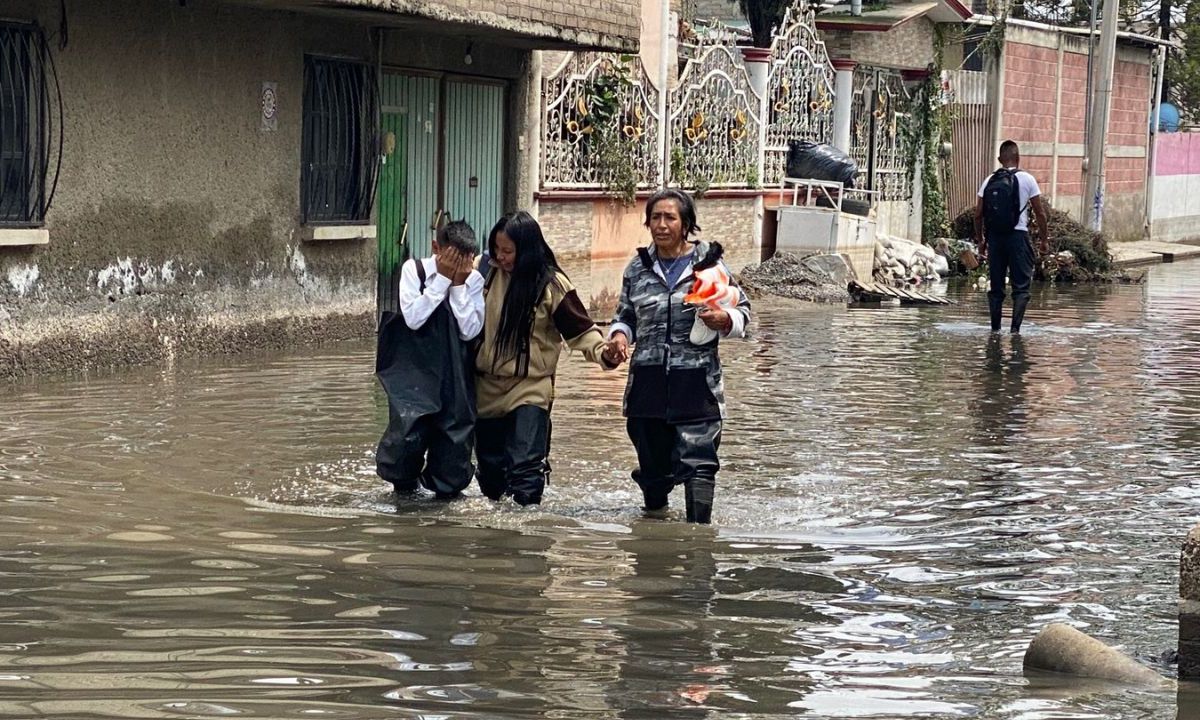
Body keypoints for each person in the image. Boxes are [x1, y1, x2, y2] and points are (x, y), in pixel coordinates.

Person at [606, 189, 751, 524]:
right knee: (653, 469)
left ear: (686, 224)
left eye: (669, 217)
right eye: (655, 217)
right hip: (648, 380)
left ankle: (699, 541)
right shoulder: (638, 269)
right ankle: (653, 536)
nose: (661, 225)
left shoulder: (709, 266)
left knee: (699, 464)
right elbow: (626, 315)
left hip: (696, 381)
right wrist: (618, 337)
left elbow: (742, 310)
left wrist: (724, 320)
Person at [474, 211, 620, 506]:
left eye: (508, 251)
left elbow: (580, 331)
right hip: (484, 388)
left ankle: (527, 539)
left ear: (526, 250)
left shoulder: (551, 285)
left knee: (525, 470)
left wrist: (605, 353)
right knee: (491, 478)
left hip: (530, 387)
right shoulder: (483, 272)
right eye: (496, 249)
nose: (500, 258)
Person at [375, 220, 485, 500]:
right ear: (437, 248)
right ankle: (404, 496)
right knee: (406, 439)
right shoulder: (415, 270)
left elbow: (470, 330)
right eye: (453, 257)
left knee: (453, 443)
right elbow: (413, 319)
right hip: (415, 373)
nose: (462, 264)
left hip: (455, 375)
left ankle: (445, 500)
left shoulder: (474, 280)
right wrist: (442, 282)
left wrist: (459, 285)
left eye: (467, 259)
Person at [974, 140, 1049, 334]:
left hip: (995, 239)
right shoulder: (1028, 179)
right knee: (1021, 288)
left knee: (996, 288)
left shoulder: (989, 180)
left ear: (1000, 159)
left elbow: (978, 214)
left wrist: (981, 241)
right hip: (1018, 237)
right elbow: (1040, 213)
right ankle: (1015, 331)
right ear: (1018, 158)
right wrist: (1043, 240)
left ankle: (995, 330)